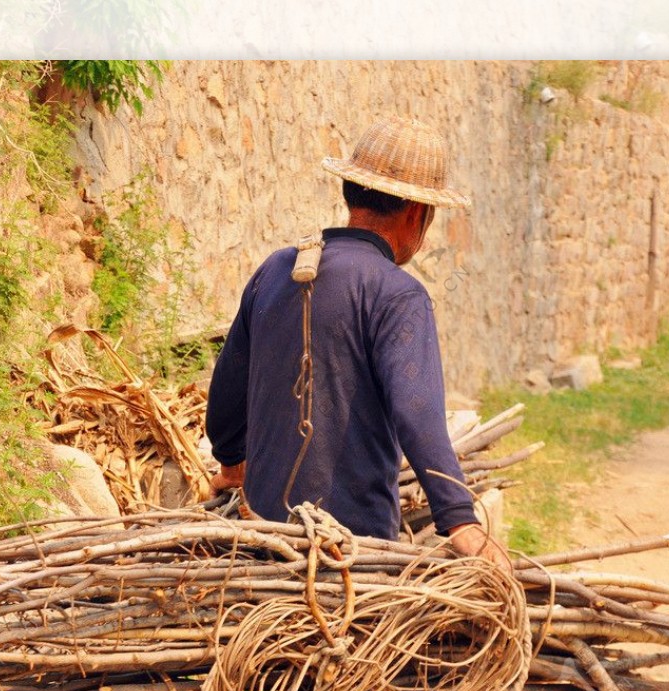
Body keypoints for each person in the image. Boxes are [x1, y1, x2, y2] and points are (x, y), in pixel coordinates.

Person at [204, 117, 510, 572]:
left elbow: (226, 394)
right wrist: (460, 519)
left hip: (264, 542)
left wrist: (232, 465)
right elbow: (417, 412)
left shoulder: (275, 270)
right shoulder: (398, 295)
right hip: (354, 554)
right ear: (416, 214)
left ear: (351, 191)